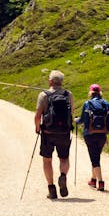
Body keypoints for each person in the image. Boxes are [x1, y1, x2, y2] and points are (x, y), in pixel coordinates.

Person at [34, 70, 74, 199]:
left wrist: (37, 128)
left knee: (47, 160)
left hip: (48, 132)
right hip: (64, 132)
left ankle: (51, 188)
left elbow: (37, 115)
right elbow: (71, 112)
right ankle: (63, 176)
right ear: (61, 82)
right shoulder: (68, 95)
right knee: (64, 158)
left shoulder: (43, 95)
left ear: (50, 81)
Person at [75, 84, 109, 191]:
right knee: (96, 156)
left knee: (94, 158)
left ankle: (101, 182)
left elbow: (82, 120)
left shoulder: (87, 104)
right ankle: (93, 180)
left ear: (91, 93)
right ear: (100, 92)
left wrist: (76, 121)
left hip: (89, 134)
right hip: (102, 134)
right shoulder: (106, 104)